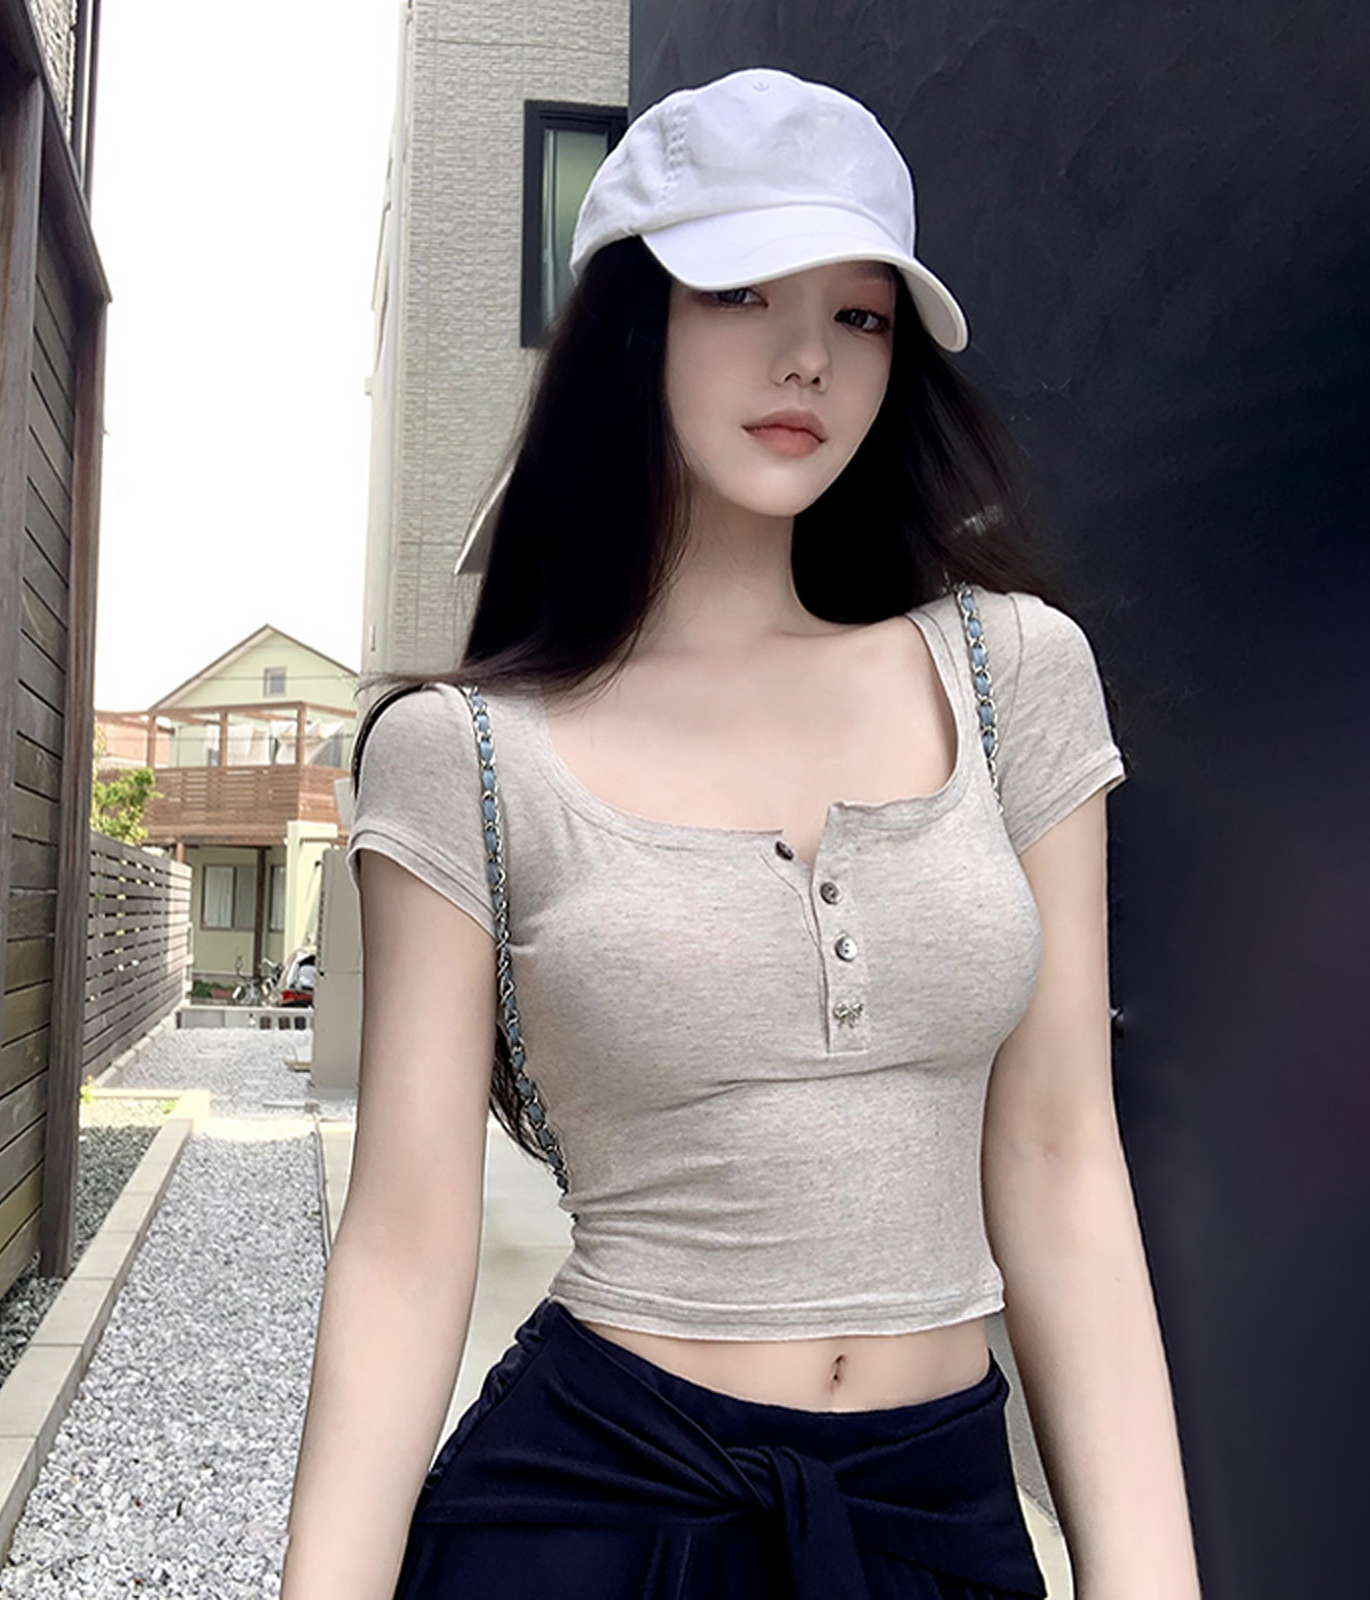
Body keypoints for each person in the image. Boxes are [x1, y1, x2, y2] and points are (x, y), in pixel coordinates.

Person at [281, 66, 1202, 1600]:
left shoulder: (1013, 674)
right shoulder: (468, 755)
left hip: (933, 1520)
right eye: (743, 291)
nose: (808, 355)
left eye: (859, 314)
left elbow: (1059, 1158)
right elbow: (405, 1242)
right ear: (633, 322)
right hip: (590, 1514)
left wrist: (1150, 1575)